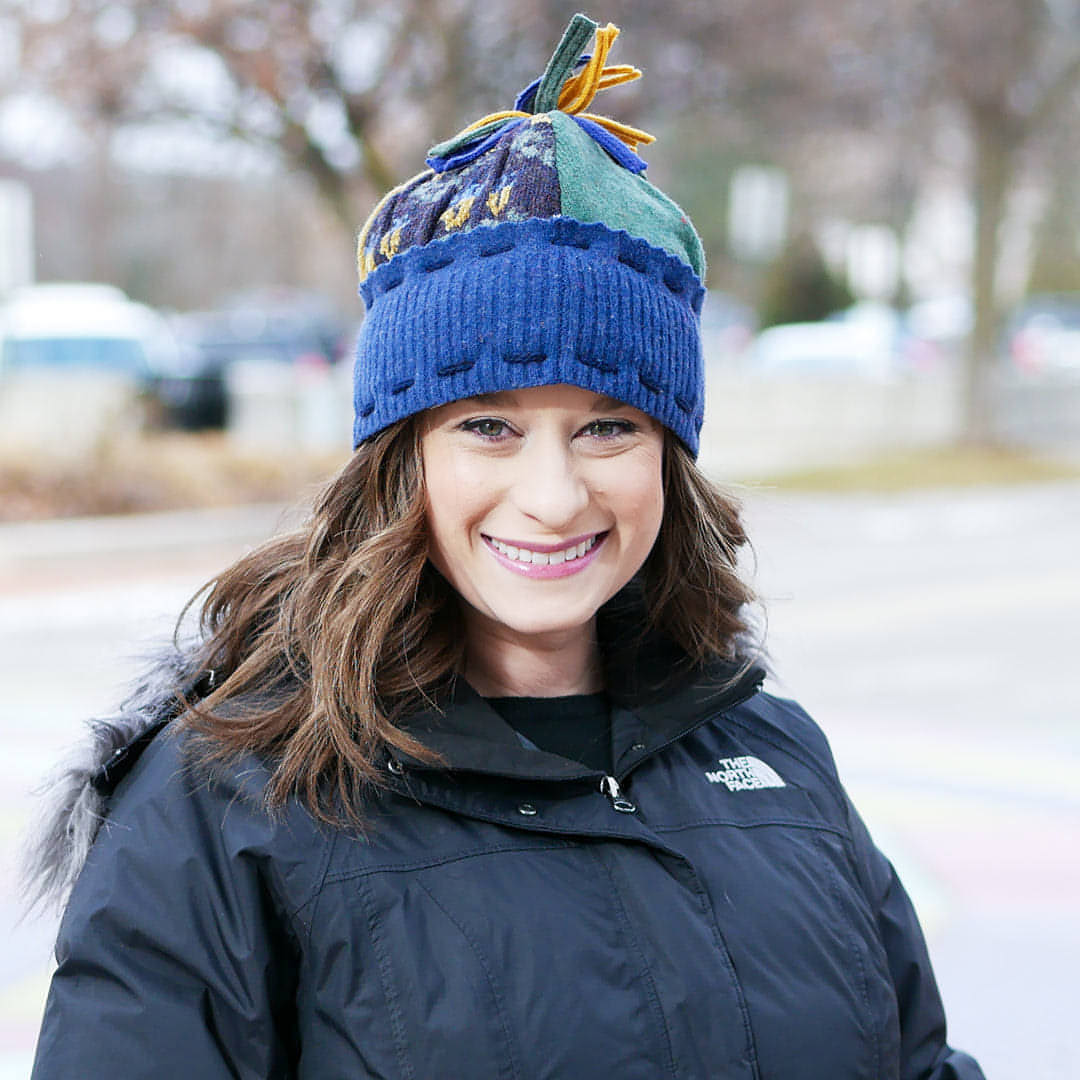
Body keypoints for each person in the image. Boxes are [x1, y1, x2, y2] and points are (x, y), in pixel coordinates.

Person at [27, 15, 984, 1079]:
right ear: (404, 462)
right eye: (489, 426)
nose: (554, 494)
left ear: (670, 456)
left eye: (608, 427)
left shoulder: (779, 761)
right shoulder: (231, 803)